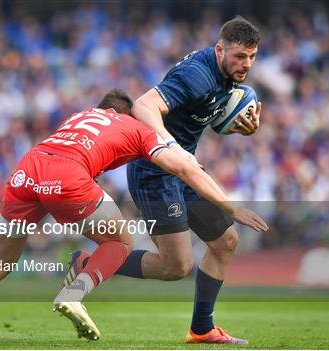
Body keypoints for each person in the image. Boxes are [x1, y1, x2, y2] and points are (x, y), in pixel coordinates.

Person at [0, 90, 268, 345]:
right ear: (127, 114)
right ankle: (74, 293)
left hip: (27, 169)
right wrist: (228, 207)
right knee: (120, 242)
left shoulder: (79, 116)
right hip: (66, 176)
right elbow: (184, 168)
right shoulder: (136, 128)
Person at [114, 16, 261, 344]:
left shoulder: (229, 79)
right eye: (239, 56)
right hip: (153, 171)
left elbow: (207, 116)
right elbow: (144, 106)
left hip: (183, 170)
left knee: (226, 242)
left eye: (252, 57)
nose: (246, 64)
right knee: (176, 266)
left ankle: (202, 329)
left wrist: (240, 126)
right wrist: (168, 144)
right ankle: (92, 261)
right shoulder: (197, 75)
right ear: (220, 49)